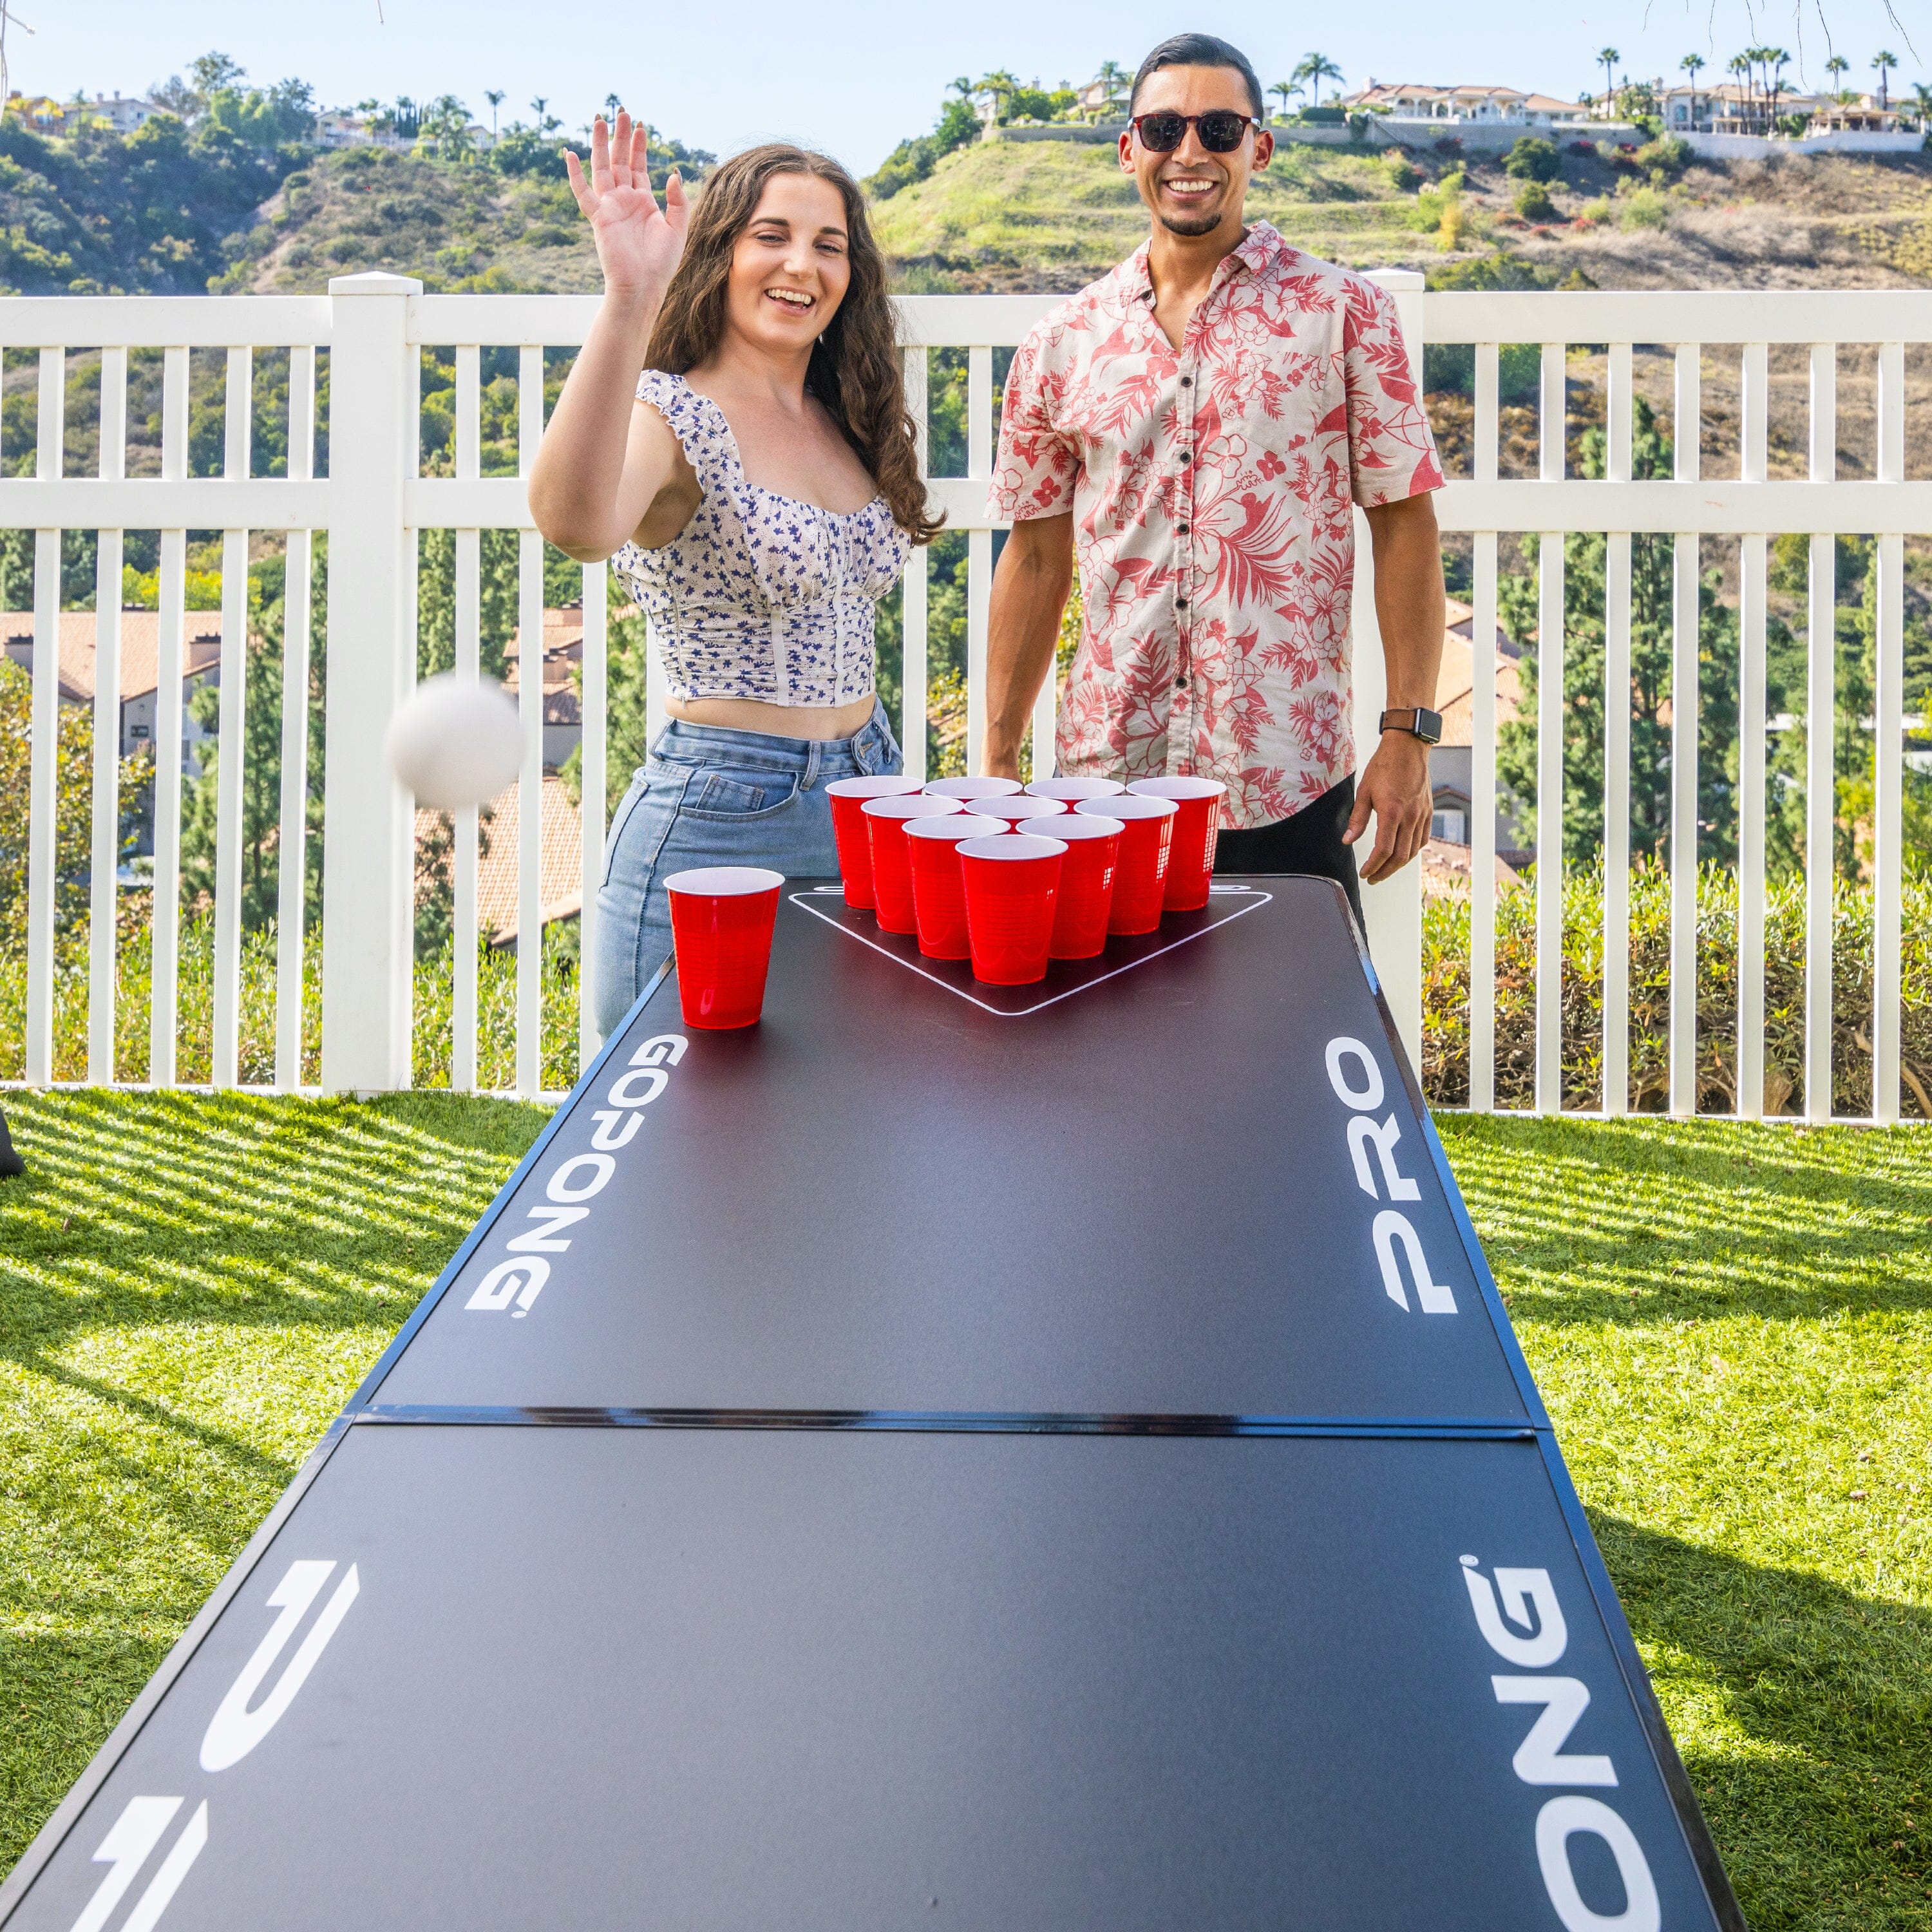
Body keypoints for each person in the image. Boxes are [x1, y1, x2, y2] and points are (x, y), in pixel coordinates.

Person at [982, 33, 1446, 927]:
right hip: (1105, 788)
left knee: (1291, 1058)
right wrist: (1000, 761)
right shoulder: (1061, 342)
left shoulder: (1343, 313)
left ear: (1258, 148)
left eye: (1220, 127)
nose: (1189, 152)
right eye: (1162, 127)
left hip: (1287, 782)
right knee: (1104, 1058)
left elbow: (1405, 526)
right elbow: (1034, 558)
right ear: (1129, 150)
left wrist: (1407, 734)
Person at [531, 117, 940, 1034]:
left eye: (828, 246)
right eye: (772, 236)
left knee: (841, 1109)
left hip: (871, 797)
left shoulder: (846, 419)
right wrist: (629, 297)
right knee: (674, 1126)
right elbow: (576, 523)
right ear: (717, 253)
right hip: (724, 819)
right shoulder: (672, 413)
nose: (802, 266)